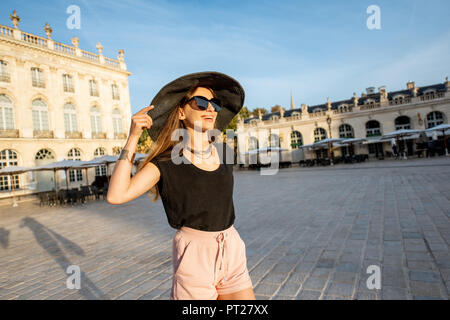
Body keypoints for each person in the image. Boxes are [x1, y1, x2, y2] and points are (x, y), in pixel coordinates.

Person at [106, 72, 255, 300]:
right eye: (201, 102)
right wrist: (133, 137)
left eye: (214, 103)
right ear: (181, 111)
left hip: (231, 246)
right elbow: (116, 196)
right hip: (194, 254)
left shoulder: (225, 152)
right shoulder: (165, 163)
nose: (210, 108)